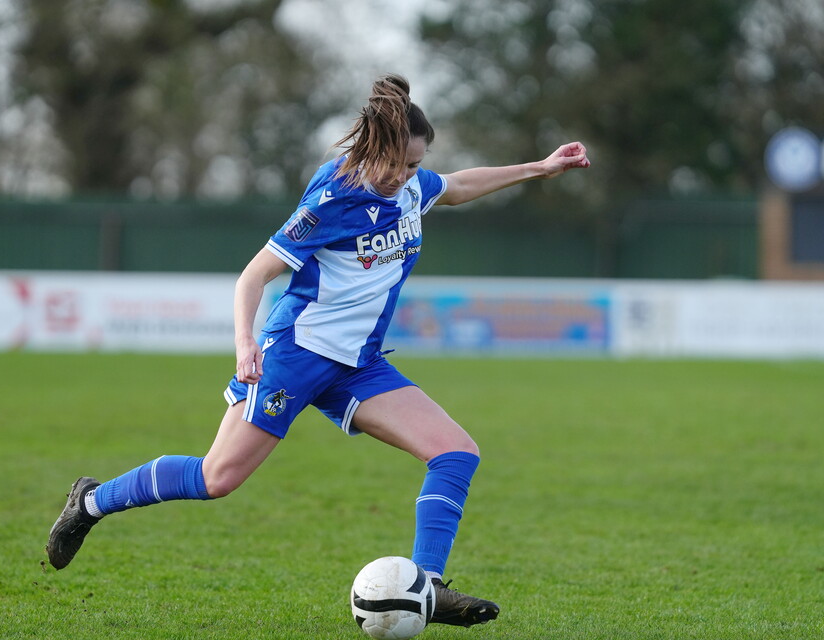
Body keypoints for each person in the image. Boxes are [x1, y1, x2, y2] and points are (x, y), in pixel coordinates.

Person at [46, 73, 590, 628]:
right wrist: (244, 346)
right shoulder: (332, 199)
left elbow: (454, 186)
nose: (405, 177)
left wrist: (540, 168)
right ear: (371, 149)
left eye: (414, 166)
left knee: (456, 452)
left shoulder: (407, 189)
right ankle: (90, 501)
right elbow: (253, 276)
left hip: (358, 365)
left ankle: (426, 586)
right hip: (295, 356)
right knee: (217, 479)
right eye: (398, 164)